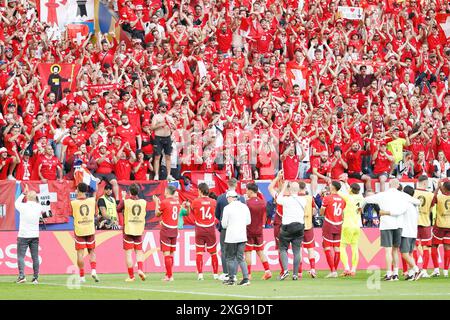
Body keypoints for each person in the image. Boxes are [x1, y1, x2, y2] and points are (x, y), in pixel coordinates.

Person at [362, 179, 420, 281]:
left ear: (389, 185)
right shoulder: (402, 195)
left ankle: (389, 274)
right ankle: (396, 274)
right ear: (398, 185)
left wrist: (360, 208)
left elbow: (366, 199)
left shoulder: (382, 194)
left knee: (388, 251)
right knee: (395, 250)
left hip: (386, 225)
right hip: (398, 225)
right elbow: (417, 201)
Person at [380, 185, 422, 281]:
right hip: (413, 232)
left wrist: (385, 212)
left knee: (404, 254)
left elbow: (398, 212)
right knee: (410, 254)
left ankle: (417, 270)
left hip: (406, 232)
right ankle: (411, 274)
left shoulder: (405, 203)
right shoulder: (414, 204)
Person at [214, 178, 245, 281]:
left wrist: (223, 222)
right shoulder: (242, 198)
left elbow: (217, 214)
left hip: (225, 228)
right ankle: (234, 274)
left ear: (227, 184)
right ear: (236, 185)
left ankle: (226, 273)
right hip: (238, 227)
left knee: (224, 250)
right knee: (236, 252)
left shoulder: (221, 198)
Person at [276, 181, 306, 280]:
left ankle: (285, 271)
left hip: (287, 227)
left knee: (283, 249)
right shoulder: (303, 200)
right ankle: (295, 274)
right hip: (299, 226)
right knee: (297, 251)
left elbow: (278, 199)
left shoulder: (286, 199)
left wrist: (284, 187)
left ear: (289, 189)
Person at [189, 183, 219, 280]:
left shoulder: (195, 202)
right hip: (210, 229)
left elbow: (192, 211)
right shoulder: (213, 202)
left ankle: (200, 275)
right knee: (213, 253)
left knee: (199, 253)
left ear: (200, 191)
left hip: (200, 229)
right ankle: (215, 274)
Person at [221, 190, 251, 286]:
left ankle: (232, 278)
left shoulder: (227, 208)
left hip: (231, 236)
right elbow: (248, 221)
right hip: (242, 235)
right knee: (240, 258)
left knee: (230, 258)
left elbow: (224, 224)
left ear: (230, 197)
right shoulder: (244, 207)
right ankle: (246, 278)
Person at [117, 183, 147, 282]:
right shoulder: (143, 202)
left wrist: (122, 198)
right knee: (139, 252)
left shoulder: (126, 202)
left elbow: (118, 209)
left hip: (128, 230)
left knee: (129, 254)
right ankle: (140, 269)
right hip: (138, 230)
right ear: (138, 192)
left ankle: (131, 276)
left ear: (130, 192)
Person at [14, 184, 43, 284]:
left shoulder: (23, 206)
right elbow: (39, 203)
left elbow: (16, 203)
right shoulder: (39, 207)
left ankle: (22, 276)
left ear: (27, 197)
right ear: (35, 198)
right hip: (34, 235)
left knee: (21, 256)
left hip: (23, 235)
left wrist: (23, 193)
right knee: (35, 257)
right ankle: (35, 277)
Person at [71, 182, 99, 283]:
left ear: (77, 190)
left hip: (80, 230)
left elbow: (71, 214)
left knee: (80, 254)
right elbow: (96, 213)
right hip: (90, 229)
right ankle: (94, 271)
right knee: (92, 251)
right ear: (86, 190)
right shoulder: (92, 201)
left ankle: (82, 276)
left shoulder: (73, 203)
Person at [244, 182, 272, 281]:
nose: (246, 192)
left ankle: (248, 274)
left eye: (247, 190)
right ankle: (267, 271)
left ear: (251, 191)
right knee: (260, 251)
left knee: (248, 252)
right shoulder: (262, 202)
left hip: (249, 231)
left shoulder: (247, 203)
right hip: (259, 231)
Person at [153, 185, 180, 281]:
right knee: (171, 253)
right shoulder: (177, 202)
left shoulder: (164, 202)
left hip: (166, 230)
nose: (164, 192)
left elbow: (157, 214)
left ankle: (169, 276)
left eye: (165, 191)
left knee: (166, 254)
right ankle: (168, 274)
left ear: (168, 192)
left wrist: (156, 203)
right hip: (174, 229)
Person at [320, 181, 346, 278]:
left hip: (329, 224)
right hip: (339, 224)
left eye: (330, 185)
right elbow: (342, 213)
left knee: (327, 247)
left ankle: (333, 270)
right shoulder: (342, 200)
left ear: (333, 187)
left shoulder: (327, 198)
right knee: (337, 248)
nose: (329, 186)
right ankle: (334, 269)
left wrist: (324, 211)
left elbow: (322, 212)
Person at [339, 183, 364, 276]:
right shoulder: (361, 197)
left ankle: (346, 268)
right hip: (357, 226)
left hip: (347, 225)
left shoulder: (348, 197)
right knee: (354, 247)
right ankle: (353, 269)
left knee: (342, 247)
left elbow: (338, 191)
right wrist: (346, 183)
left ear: (351, 189)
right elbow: (352, 190)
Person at [413, 175, 434, 278]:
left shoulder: (413, 193)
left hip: (413, 223)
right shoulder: (430, 195)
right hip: (425, 223)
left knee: (413, 247)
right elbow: (431, 209)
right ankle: (424, 270)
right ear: (425, 183)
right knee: (426, 248)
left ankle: (414, 269)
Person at [267, 170, 286, 277]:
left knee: (280, 249)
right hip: (294, 224)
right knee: (297, 249)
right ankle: (299, 273)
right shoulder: (294, 197)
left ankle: (283, 271)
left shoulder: (279, 196)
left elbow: (270, 187)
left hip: (280, 225)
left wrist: (277, 178)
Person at [430, 179, 450, 278]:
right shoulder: (443, 194)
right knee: (447, 248)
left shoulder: (439, 197)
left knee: (434, 246)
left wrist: (438, 187)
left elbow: (432, 201)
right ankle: (446, 271)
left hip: (439, 226)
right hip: (449, 226)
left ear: (444, 188)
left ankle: (436, 270)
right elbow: (446, 193)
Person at [298, 181, 317, 278]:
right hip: (308, 226)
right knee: (310, 249)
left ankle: (299, 272)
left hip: (297, 227)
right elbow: (314, 211)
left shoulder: (294, 198)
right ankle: (313, 269)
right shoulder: (310, 198)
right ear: (305, 188)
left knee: (298, 249)